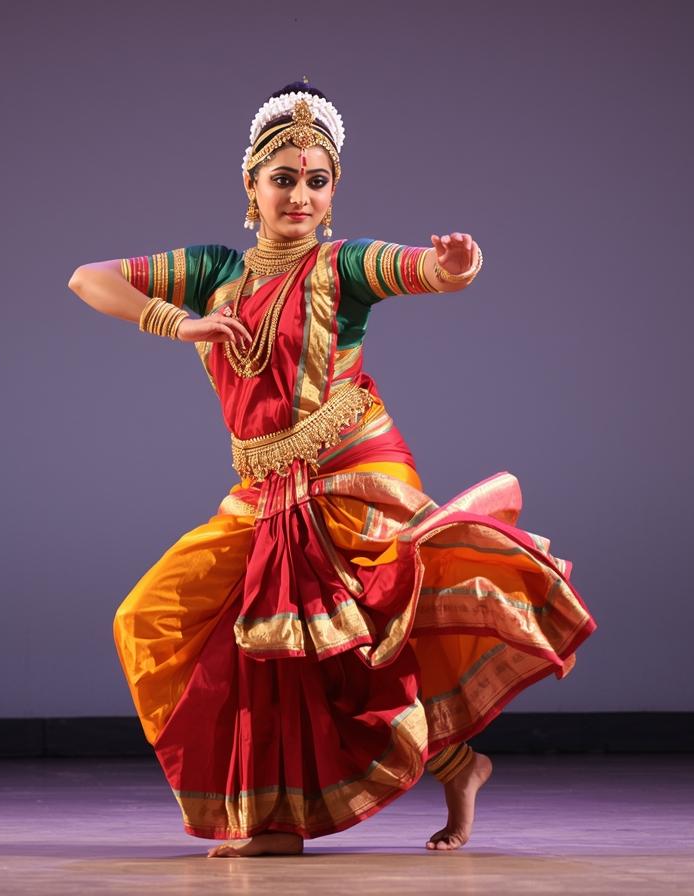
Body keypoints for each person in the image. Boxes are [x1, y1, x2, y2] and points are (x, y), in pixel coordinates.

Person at [67, 80, 596, 858]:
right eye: (284, 179)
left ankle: (290, 821)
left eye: (318, 181)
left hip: (353, 471)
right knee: (160, 617)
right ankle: (445, 764)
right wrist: (177, 320)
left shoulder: (342, 267)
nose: (301, 197)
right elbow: (89, 277)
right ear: (250, 187)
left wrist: (457, 268)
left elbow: (418, 270)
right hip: (266, 488)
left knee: (354, 638)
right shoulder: (216, 270)